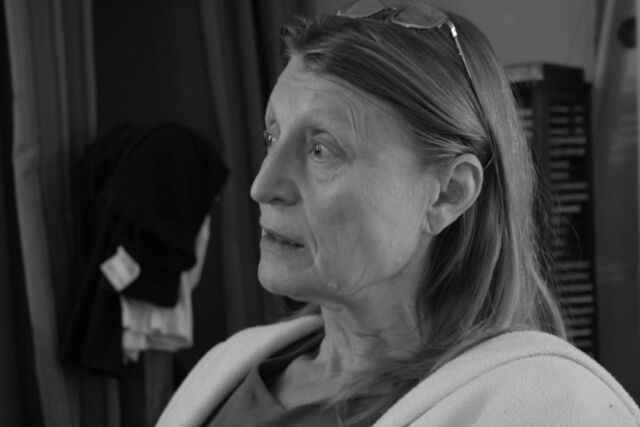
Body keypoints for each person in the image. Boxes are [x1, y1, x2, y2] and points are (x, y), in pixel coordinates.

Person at [158, 1, 640, 425]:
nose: (263, 186)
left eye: (321, 149)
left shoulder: (545, 411)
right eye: (272, 136)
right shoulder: (226, 367)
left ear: (447, 194)